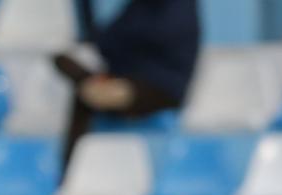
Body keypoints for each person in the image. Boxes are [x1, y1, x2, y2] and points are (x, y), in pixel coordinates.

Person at [54, 0, 199, 172]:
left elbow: (147, 39)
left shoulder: (179, 8)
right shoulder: (137, 7)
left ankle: (69, 172)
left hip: (160, 89)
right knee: (66, 65)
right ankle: (71, 173)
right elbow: (106, 42)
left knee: (89, 93)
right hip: (120, 79)